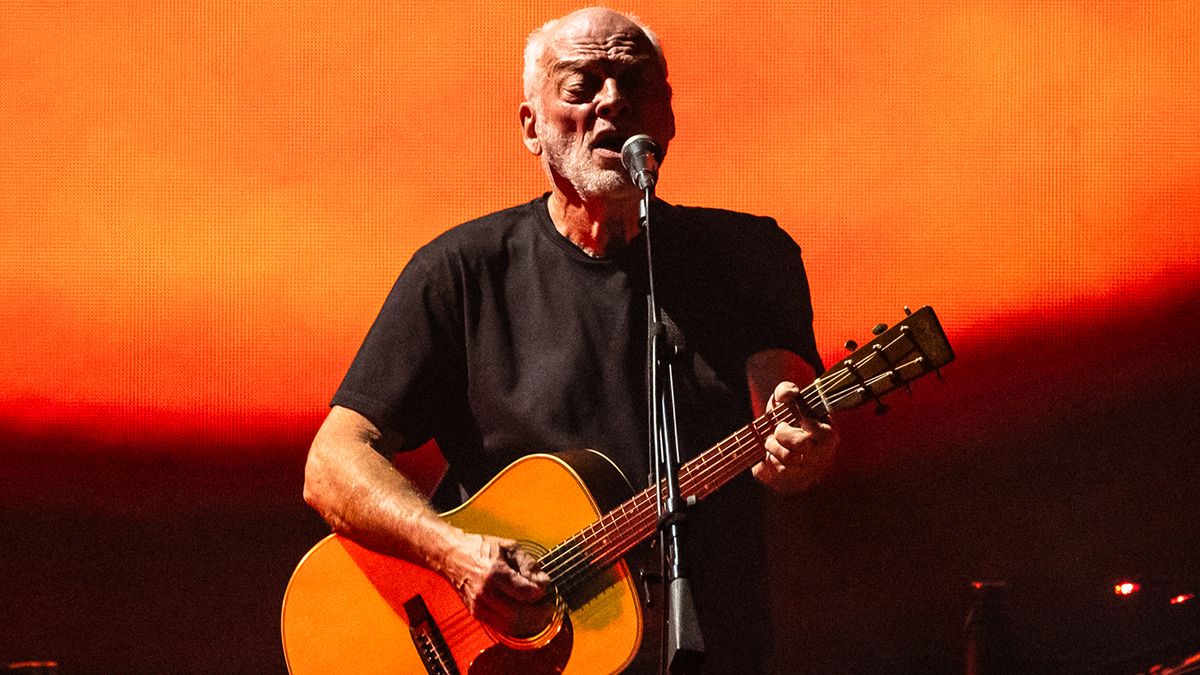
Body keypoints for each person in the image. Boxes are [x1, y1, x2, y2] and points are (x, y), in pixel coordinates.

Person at [303, 7, 837, 673]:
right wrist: (453, 553)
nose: (613, 102)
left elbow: (782, 408)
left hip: (711, 650)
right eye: (581, 87)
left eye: (635, 85)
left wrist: (799, 445)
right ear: (531, 126)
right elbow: (331, 461)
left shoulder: (749, 257)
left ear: (666, 116)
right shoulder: (461, 272)